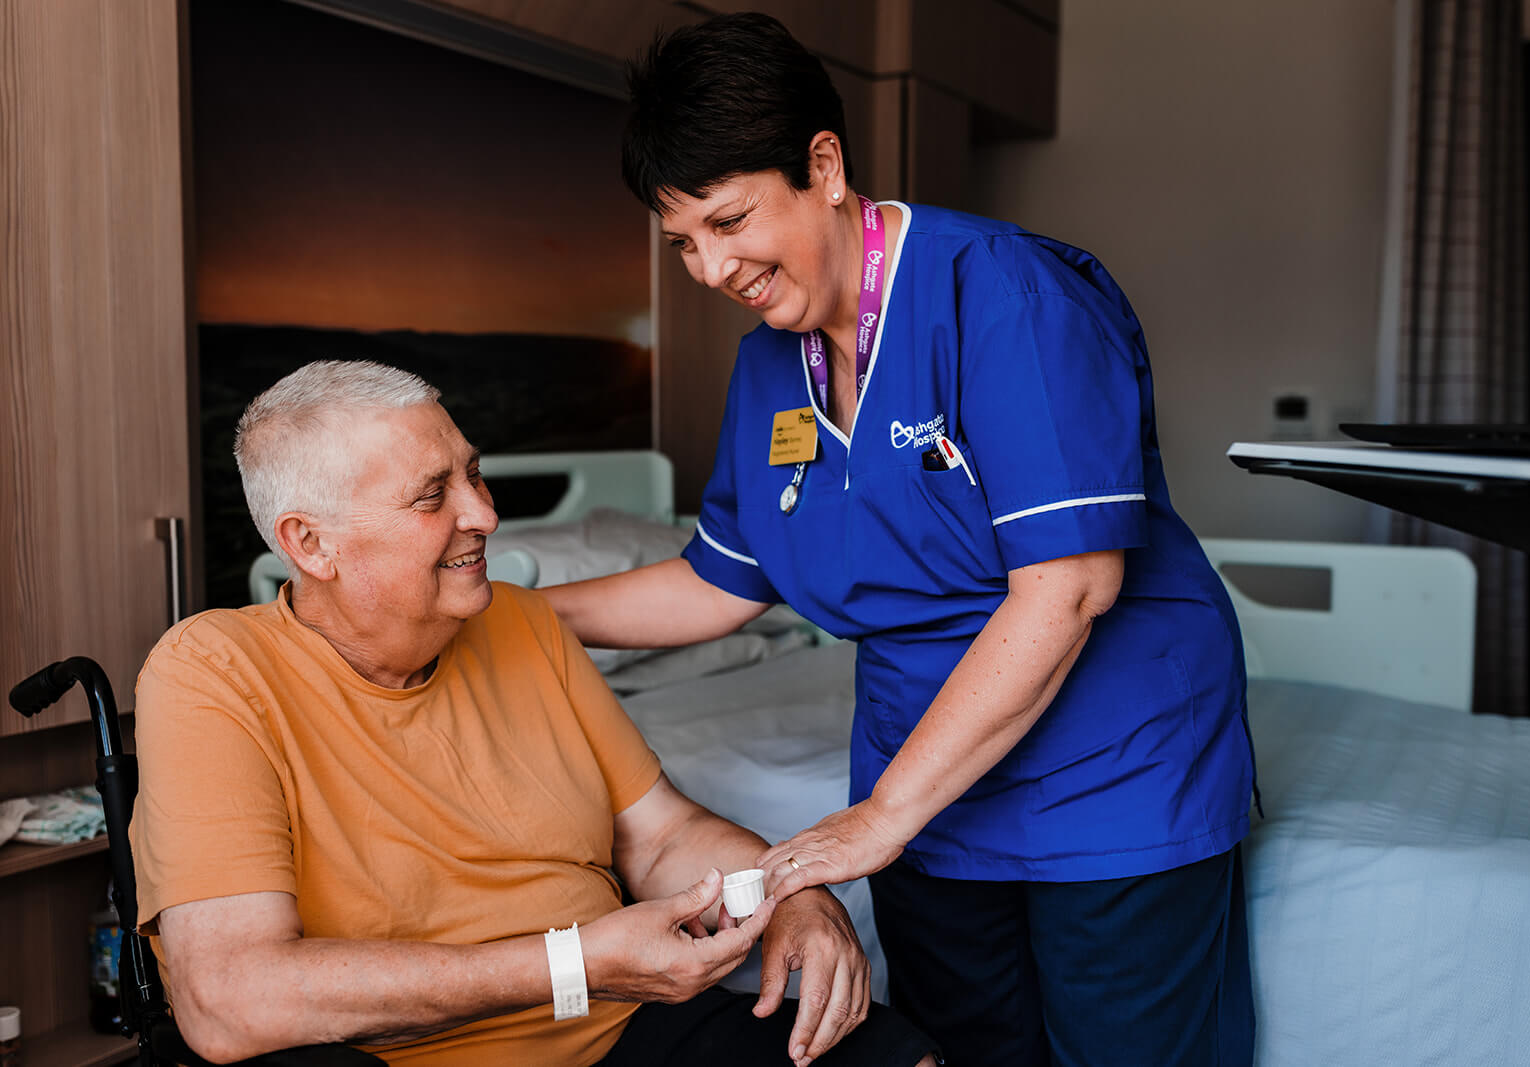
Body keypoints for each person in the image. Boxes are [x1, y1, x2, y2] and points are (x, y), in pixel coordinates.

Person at [538, 12, 1257, 1066]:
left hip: (1106, 767)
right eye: (684, 240)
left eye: (730, 221)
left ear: (822, 165)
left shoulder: (1007, 294)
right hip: (929, 778)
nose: (710, 267)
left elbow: (1068, 589)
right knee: (964, 1047)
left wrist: (879, 816)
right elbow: (717, 584)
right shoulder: (769, 368)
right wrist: (517, 611)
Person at [129, 360, 939, 1067]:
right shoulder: (211, 673)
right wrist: (574, 963)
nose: (482, 513)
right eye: (431, 496)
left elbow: (661, 834)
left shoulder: (522, 623)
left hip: (610, 1032)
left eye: (472, 475)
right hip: (392, 1056)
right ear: (310, 544)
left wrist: (788, 888)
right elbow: (227, 1000)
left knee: (893, 1052)